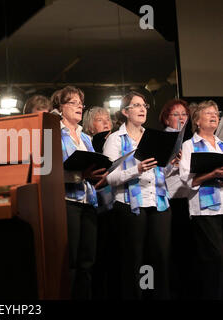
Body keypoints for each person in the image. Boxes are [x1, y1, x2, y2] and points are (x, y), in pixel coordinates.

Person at [102, 91, 171, 300]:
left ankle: (152, 294)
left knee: (157, 255)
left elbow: (160, 173)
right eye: (137, 105)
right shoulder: (115, 139)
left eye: (145, 105)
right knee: (135, 258)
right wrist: (136, 170)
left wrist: (171, 164)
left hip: (158, 203)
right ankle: (137, 295)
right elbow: (109, 178)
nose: (142, 109)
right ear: (125, 112)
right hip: (130, 205)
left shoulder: (153, 137)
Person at [52, 86, 108, 299]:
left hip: (88, 201)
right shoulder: (53, 133)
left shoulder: (85, 137)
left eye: (80, 103)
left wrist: (98, 173)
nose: (79, 107)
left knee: (88, 260)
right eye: (73, 103)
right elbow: (51, 172)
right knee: (72, 260)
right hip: (68, 201)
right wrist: (80, 175)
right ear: (60, 107)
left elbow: (90, 166)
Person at [179, 100, 223, 299]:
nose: (214, 116)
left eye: (216, 113)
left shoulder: (222, 144)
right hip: (205, 209)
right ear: (197, 120)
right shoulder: (190, 145)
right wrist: (212, 173)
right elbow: (187, 180)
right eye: (208, 113)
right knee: (214, 257)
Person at [158, 99, 192, 298]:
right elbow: (157, 170)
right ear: (166, 118)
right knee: (172, 248)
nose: (181, 118)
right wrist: (173, 164)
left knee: (186, 247)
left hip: (187, 199)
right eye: (176, 114)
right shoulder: (165, 139)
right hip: (170, 198)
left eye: (184, 114)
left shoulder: (189, 140)